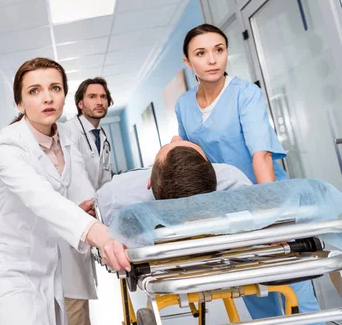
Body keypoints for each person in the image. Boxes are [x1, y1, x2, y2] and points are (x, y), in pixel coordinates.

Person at [175, 23, 322, 321]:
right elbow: (193, 160)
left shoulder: (246, 94)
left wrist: (271, 216)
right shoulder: (183, 104)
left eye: (219, 50)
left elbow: (262, 155)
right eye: (201, 53)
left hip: (269, 195)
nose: (213, 60)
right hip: (229, 209)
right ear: (188, 62)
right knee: (254, 286)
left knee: (295, 285)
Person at [0, 58, 130, 325]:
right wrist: (101, 236)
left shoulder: (65, 140)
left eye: (55, 88)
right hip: (10, 266)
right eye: (34, 91)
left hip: (48, 261)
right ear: (20, 104)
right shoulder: (8, 146)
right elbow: (41, 198)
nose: (47, 97)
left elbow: (73, 192)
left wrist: (82, 210)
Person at [97, 138, 252, 225]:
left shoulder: (114, 194)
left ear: (149, 180)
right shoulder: (232, 178)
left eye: (167, 145)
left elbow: (97, 213)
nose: (175, 137)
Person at [61, 77, 114, 324]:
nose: (99, 101)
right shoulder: (69, 131)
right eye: (92, 96)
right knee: (73, 300)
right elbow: (76, 175)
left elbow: (103, 179)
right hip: (72, 221)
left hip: (88, 218)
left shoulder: (101, 134)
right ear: (80, 103)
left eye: (103, 96)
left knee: (79, 299)